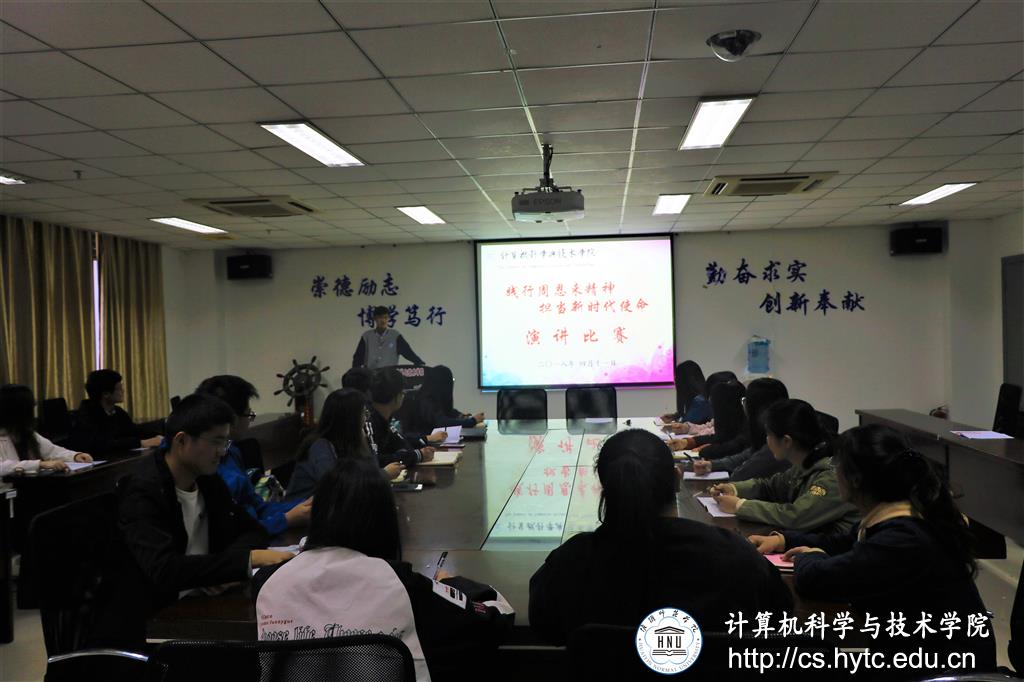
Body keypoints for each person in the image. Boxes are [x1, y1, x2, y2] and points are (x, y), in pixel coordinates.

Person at [748, 424, 997, 678]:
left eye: (838, 466)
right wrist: (784, 540)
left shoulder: (903, 539)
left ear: (856, 479)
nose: (834, 473)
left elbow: (818, 579)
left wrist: (809, 556)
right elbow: (843, 542)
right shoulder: (901, 513)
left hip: (940, 669)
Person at [254, 458, 514, 681]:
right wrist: (451, 585)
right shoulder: (404, 585)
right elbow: (497, 617)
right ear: (385, 522)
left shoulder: (267, 582)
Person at [529, 429, 792, 645]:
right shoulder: (736, 556)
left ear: (605, 485)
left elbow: (545, 628)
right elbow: (780, 619)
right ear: (677, 479)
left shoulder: (570, 562)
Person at [91, 394, 293, 647]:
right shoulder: (142, 492)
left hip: (201, 607)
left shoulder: (207, 480)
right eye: (216, 441)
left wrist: (222, 572)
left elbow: (253, 530)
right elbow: (164, 569)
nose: (222, 451)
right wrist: (243, 561)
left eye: (226, 441)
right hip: (150, 625)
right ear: (182, 441)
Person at [709, 399, 859, 534]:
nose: (767, 440)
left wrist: (740, 506)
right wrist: (734, 489)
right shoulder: (806, 462)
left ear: (786, 441)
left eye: (769, 434)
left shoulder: (832, 475)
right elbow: (770, 486)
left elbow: (796, 516)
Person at [196, 375, 311, 537]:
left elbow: (258, 507)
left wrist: (305, 506)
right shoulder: (204, 466)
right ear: (233, 419)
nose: (250, 421)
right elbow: (234, 532)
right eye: (249, 415)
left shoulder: (232, 452)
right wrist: (286, 520)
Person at [286, 388, 404, 502]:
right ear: (350, 420)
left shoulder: (348, 443)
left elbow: (369, 470)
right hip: (303, 511)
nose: (366, 419)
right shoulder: (319, 447)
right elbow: (338, 488)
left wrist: (366, 443)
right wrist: (384, 475)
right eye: (363, 414)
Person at [693, 377, 790, 481]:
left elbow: (740, 475)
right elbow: (748, 454)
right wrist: (712, 465)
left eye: (745, 401)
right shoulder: (770, 433)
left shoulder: (776, 443)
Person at [0, 384, 92, 475]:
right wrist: (40, 464)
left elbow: (53, 451)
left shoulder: (26, 433)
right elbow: (2, 467)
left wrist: (75, 456)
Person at [69, 369, 163, 455]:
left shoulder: (118, 411)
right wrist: (141, 443)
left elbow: (134, 431)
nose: (123, 391)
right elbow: (100, 444)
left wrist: (160, 436)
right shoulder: (86, 414)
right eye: (119, 388)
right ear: (106, 394)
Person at [368, 368, 435, 467]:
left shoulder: (383, 417)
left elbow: (401, 443)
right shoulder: (368, 420)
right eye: (403, 393)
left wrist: (414, 453)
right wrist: (417, 455)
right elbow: (375, 460)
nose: (404, 396)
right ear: (396, 396)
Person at [667, 379, 747, 460]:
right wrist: (688, 442)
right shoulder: (734, 417)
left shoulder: (746, 430)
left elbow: (732, 445)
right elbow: (718, 434)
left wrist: (712, 448)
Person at [402, 365, 483, 436]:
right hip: (425, 444)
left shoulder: (432, 398)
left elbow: (447, 411)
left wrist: (460, 415)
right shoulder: (425, 400)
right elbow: (441, 422)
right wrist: (471, 421)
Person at [665, 369, 737, 435]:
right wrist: (686, 427)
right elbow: (711, 425)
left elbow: (716, 432)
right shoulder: (726, 408)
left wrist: (693, 438)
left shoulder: (701, 401)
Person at [352, 305, 424, 369]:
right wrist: (355, 372)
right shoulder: (366, 336)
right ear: (375, 319)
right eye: (380, 317)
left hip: (390, 375)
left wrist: (419, 362)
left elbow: (407, 352)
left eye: (385, 317)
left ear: (388, 318)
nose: (383, 320)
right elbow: (358, 357)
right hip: (371, 375)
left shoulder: (395, 335)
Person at [659, 360, 710, 426]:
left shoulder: (699, 402)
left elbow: (687, 425)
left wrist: (678, 423)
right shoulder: (702, 396)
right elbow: (691, 417)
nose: (674, 380)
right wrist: (675, 416)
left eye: (676, 377)